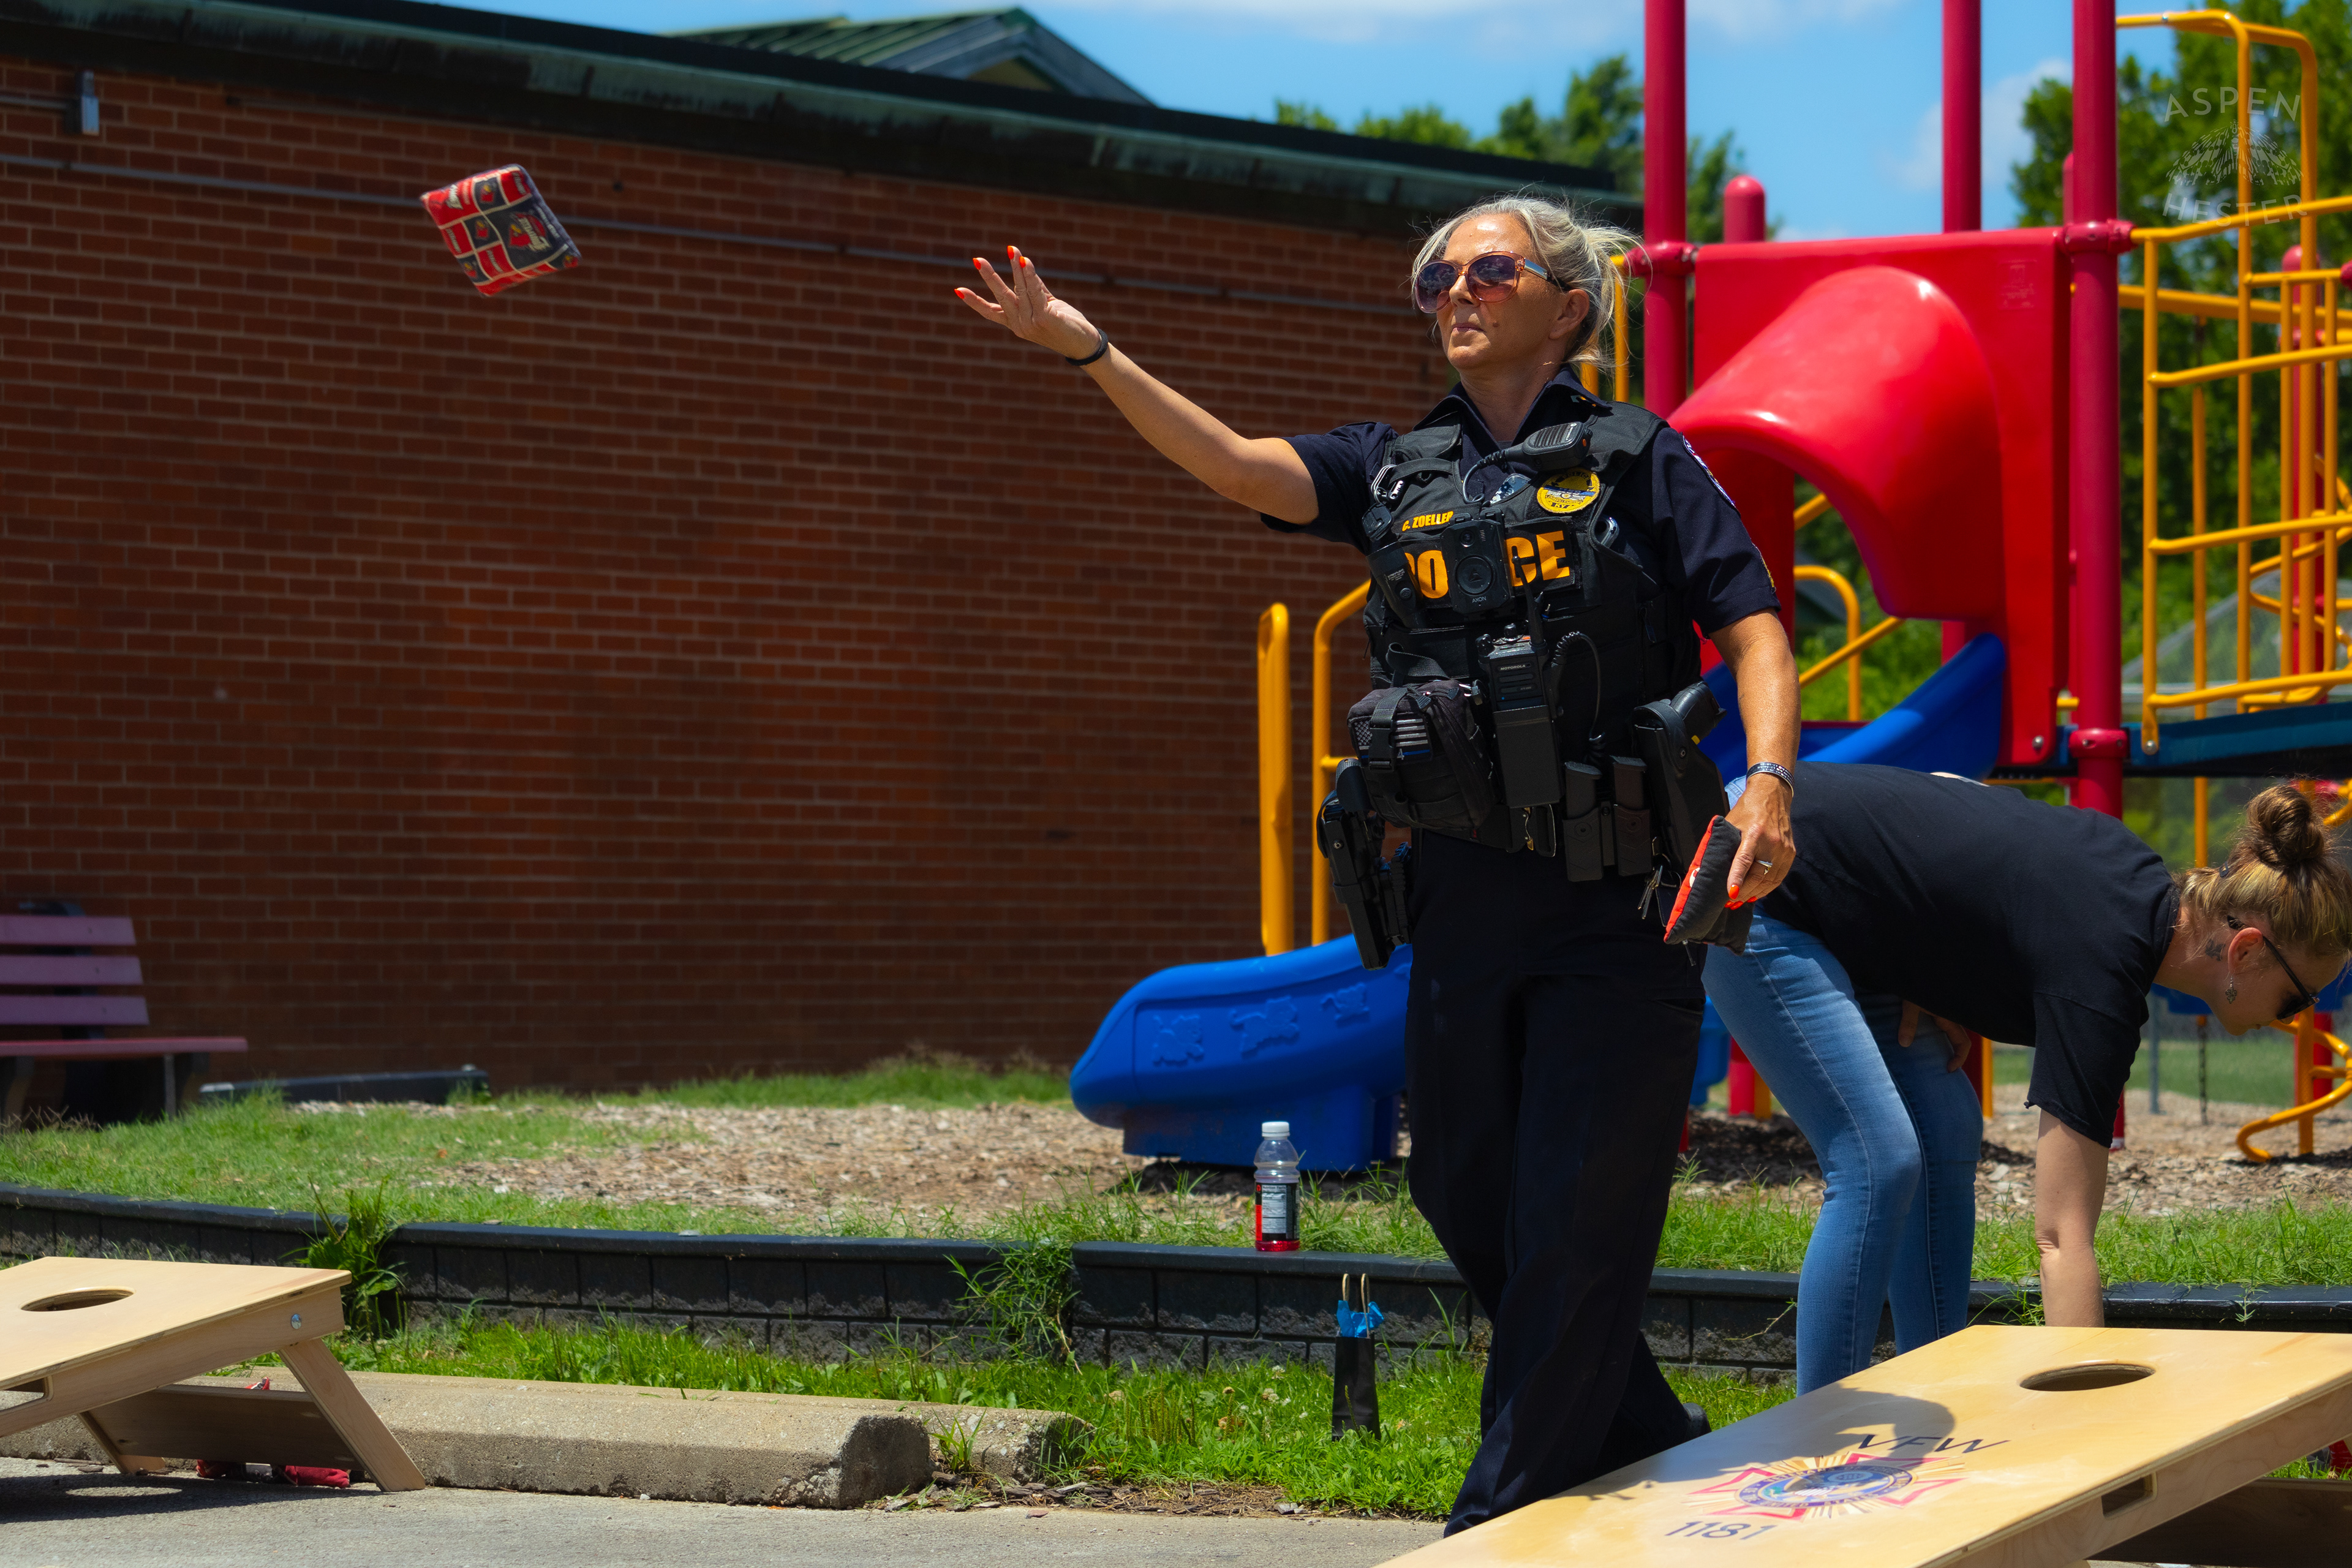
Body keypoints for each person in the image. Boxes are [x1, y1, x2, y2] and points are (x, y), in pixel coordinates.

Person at [955, 194, 1801, 1531]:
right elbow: (1236, 465)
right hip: (1462, 893)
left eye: (1488, 269)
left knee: (1578, 1202)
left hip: (1615, 896)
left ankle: (1500, 1515)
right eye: (1434, 277)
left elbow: (1753, 623)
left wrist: (1767, 781)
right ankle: (1640, 1422)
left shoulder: (1641, 458)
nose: (1455, 290)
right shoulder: (1392, 469)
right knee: (1461, 1183)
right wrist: (1084, 346)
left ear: (1569, 305)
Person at [1703, 767, 2352, 1391]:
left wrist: (1921, 961)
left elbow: (1960, 806)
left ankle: (1932, 1386)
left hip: (1835, 899)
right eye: (2299, 999)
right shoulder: (2102, 979)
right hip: (1759, 867)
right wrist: (2097, 1441)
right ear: (2245, 953)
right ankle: (1817, 1450)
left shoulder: (2135, 879)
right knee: (1879, 1159)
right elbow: (2062, 1238)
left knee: (1947, 1124)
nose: (2296, 1019)